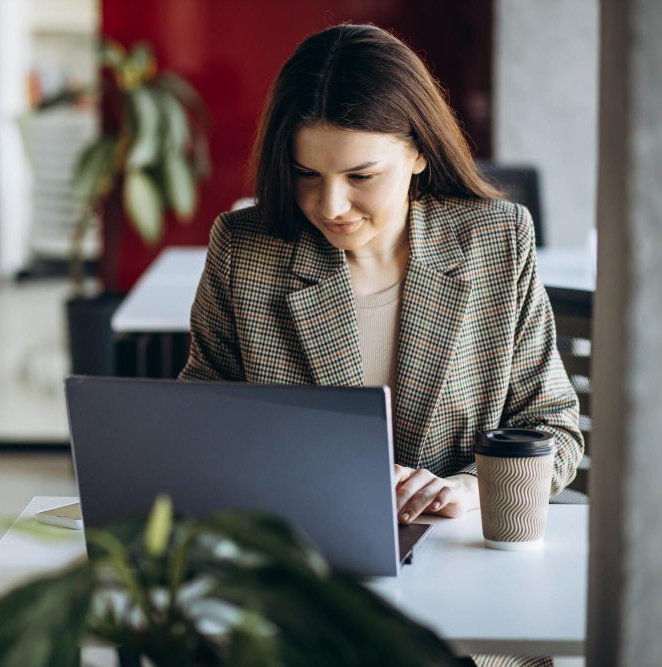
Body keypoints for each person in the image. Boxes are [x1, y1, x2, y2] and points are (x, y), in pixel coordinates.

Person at [178, 24, 582, 660]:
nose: (330, 203)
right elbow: (196, 425)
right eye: (305, 173)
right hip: (300, 597)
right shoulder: (244, 250)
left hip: (468, 604)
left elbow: (553, 428)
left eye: (361, 175)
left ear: (420, 152)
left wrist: (473, 489)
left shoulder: (495, 241)